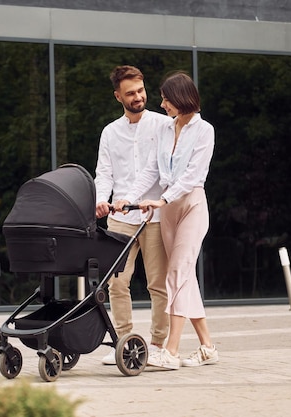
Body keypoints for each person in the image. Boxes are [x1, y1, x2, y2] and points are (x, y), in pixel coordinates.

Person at [114, 71, 218, 370]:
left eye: (166, 99)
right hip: (169, 212)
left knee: (176, 274)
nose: (162, 104)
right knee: (185, 277)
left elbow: (193, 177)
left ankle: (170, 351)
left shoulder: (204, 130)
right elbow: (150, 170)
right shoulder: (164, 130)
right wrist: (127, 197)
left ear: (181, 99)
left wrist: (162, 199)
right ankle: (208, 347)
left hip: (190, 207)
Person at [94, 65, 171, 365]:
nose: (138, 97)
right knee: (116, 283)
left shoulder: (163, 125)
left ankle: (158, 345)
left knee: (157, 284)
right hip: (120, 219)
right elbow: (104, 174)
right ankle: (123, 344)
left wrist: (138, 198)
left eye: (140, 91)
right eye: (130, 93)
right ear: (118, 96)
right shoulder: (110, 132)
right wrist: (102, 200)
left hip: (154, 217)